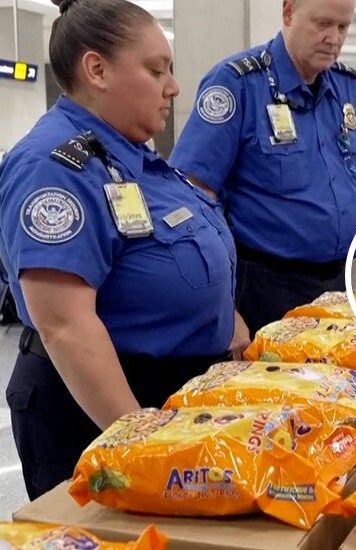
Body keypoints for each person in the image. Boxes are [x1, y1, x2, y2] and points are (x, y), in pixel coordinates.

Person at [0, 0, 244, 500]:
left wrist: (227, 318)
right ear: (97, 69)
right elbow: (65, 325)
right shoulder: (56, 167)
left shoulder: (135, 156)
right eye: (157, 70)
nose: (173, 87)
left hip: (169, 393)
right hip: (96, 406)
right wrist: (138, 436)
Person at [170, 0, 356, 336]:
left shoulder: (346, 88)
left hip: (336, 284)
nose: (334, 38)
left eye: (343, 27)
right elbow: (196, 195)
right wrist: (223, 305)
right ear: (289, 12)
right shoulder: (238, 84)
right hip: (263, 288)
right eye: (323, 24)